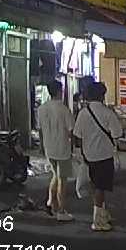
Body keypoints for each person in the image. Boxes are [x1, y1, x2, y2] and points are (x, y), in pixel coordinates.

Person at [73, 81, 123, 232]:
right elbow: (117, 133)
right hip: (104, 156)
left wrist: (80, 152)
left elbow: (77, 135)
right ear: (102, 96)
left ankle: (102, 213)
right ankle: (98, 220)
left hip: (88, 156)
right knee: (101, 188)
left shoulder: (83, 113)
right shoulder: (108, 113)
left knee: (96, 186)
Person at [38, 79, 75, 221]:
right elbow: (71, 131)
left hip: (49, 148)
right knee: (62, 180)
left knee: (55, 175)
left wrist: (42, 146)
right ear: (60, 91)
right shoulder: (64, 110)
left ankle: (50, 201)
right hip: (62, 149)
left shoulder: (42, 109)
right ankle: (61, 210)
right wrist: (73, 148)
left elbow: (40, 130)